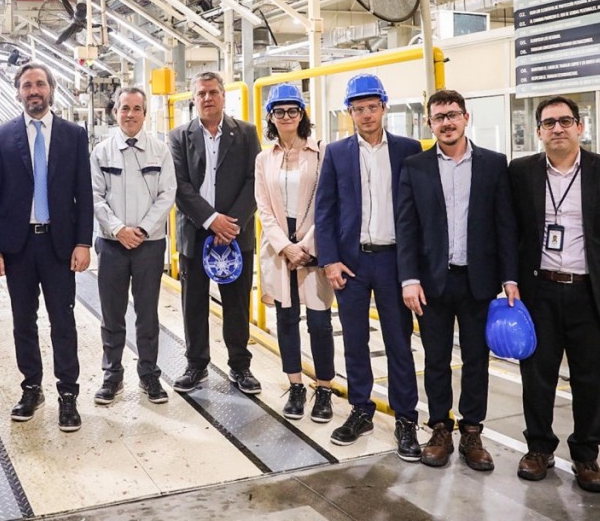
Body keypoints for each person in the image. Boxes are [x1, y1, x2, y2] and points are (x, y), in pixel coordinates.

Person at [509, 96, 600, 493]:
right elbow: (514, 229)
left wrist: (594, 267)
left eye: (565, 121)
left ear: (580, 127)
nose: (558, 128)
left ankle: (586, 455)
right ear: (539, 131)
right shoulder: (521, 172)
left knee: (590, 380)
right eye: (549, 123)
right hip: (539, 292)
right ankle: (539, 448)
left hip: (590, 292)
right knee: (537, 376)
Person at [395, 89, 519, 470]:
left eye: (452, 114)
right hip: (432, 281)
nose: (446, 123)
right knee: (435, 359)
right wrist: (409, 278)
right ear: (429, 124)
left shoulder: (493, 164)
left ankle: (472, 432)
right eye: (439, 117)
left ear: (466, 117)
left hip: (478, 281)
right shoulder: (415, 167)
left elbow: (505, 224)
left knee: (476, 359)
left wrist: (510, 277)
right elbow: (406, 227)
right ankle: (439, 429)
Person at [313, 73, 422, 461]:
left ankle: (406, 419)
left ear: (384, 107)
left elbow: (418, 211)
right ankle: (361, 410)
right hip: (352, 263)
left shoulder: (409, 150)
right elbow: (324, 211)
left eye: (372, 107)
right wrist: (330, 260)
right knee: (355, 341)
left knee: (399, 343)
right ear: (349, 112)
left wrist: (414, 268)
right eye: (358, 109)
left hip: (394, 261)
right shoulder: (337, 153)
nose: (366, 115)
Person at [0, 63, 93, 433]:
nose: (34, 91)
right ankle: (31, 388)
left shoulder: (73, 134)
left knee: (63, 320)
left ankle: (68, 394)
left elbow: (84, 193)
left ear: (51, 89)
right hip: (18, 245)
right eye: (27, 85)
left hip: (59, 244)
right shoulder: (3, 134)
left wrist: (83, 242)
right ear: (18, 92)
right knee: (23, 321)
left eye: (40, 84)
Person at [169, 71, 262, 395]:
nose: (207, 98)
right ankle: (196, 364)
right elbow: (178, 185)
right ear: (193, 99)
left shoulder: (246, 133)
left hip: (236, 233)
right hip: (195, 233)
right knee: (193, 303)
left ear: (223, 96)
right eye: (201, 93)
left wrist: (230, 223)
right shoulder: (179, 136)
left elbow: (254, 179)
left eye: (213, 92)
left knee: (237, 303)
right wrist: (211, 220)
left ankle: (240, 365)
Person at [254, 83, 336, 421]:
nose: (286, 116)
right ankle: (296, 385)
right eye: (279, 111)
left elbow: (327, 203)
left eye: (293, 110)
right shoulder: (264, 158)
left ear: (302, 114)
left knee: (320, 322)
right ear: (271, 117)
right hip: (279, 249)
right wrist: (285, 246)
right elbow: (263, 208)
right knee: (286, 319)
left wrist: (306, 245)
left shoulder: (321, 152)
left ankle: (325, 389)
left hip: (314, 245)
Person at [90, 86, 176, 405]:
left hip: (149, 245)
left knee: (147, 313)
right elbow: (94, 195)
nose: (130, 114)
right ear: (115, 112)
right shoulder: (101, 152)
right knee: (111, 314)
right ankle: (112, 375)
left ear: (145, 114)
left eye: (136, 108)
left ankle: (149, 374)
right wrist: (118, 229)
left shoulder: (159, 151)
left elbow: (167, 194)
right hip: (111, 245)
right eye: (124, 108)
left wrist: (140, 229)